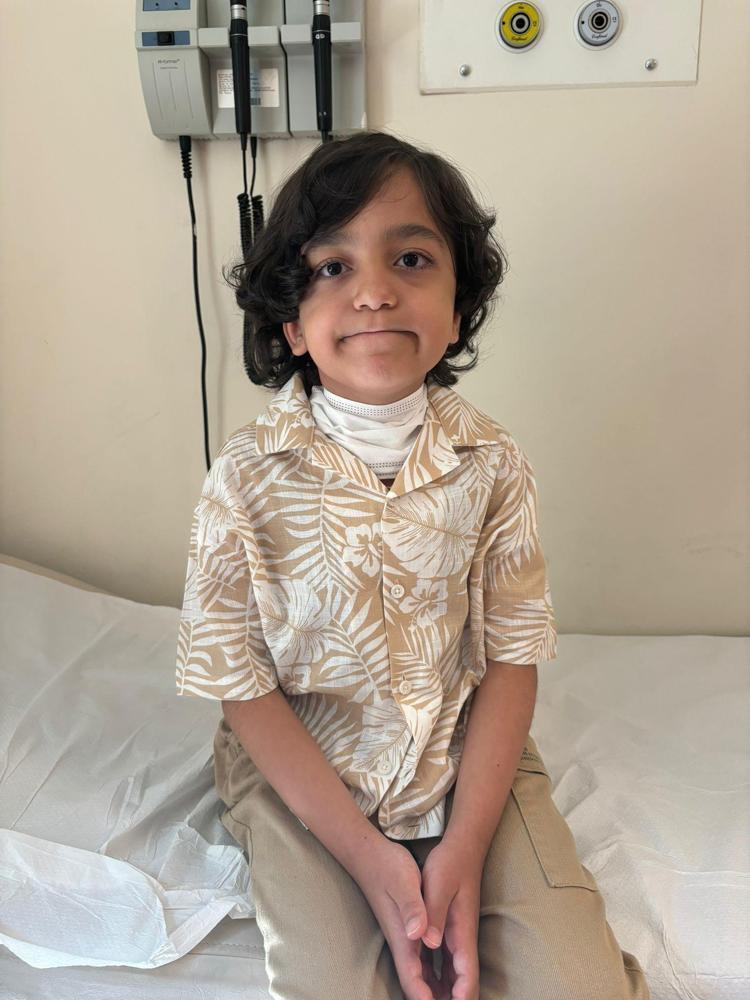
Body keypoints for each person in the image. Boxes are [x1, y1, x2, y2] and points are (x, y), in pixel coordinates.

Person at [176, 131, 650, 1000]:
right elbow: (240, 686)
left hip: (461, 749)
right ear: (291, 322)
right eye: (332, 267)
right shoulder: (243, 479)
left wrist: (462, 849)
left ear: (458, 307)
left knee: (580, 983)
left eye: (411, 258)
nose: (374, 291)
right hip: (301, 767)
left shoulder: (494, 464)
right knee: (329, 983)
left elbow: (510, 659)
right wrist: (370, 860)